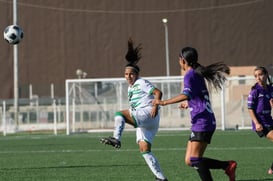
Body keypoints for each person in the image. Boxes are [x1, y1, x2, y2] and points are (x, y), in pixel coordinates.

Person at [152, 47, 237, 181]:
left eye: (179, 58)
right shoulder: (196, 74)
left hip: (203, 122)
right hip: (201, 121)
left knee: (195, 159)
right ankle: (227, 166)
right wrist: (189, 103)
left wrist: (164, 102)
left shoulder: (190, 75)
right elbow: (197, 95)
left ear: (183, 60)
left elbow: (186, 94)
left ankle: (227, 166)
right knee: (189, 160)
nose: (179, 61)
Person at [100, 38, 168, 181]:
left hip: (148, 113)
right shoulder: (131, 87)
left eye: (131, 74)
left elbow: (158, 92)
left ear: (136, 74)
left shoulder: (141, 82)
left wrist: (155, 106)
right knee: (145, 150)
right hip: (148, 121)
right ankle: (161, 178)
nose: (128, 76)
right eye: (126, 74)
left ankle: (116, 139)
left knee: (119, 114)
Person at [247, 66, 273, 175]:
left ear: (266, 75)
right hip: (261, 123)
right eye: (256, 76)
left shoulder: (271, 89)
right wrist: (257, 123)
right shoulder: (255, 91)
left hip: (270, 120)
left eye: (260, 75)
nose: (258, 78)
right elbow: (250, 108)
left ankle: (272, 169)